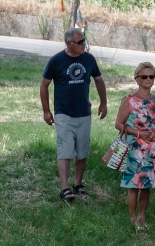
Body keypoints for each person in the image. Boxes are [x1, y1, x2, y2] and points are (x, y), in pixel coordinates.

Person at [41, 27, 108, 201]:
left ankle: (78, 184)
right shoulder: (57, 60)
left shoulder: (89, 59)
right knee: (65, 150)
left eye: (84, 41)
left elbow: (99, 80)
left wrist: (103, 103)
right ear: (69, 44)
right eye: (79, 42)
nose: (83, 45)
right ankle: (65, 188)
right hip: (64, 113)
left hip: (84, 113)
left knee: (82, 151)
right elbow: (44, 85)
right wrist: (46, 111)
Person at [115, 62, 155, 227]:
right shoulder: (129, 100)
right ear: (137, 78)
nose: (148, 79)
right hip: (135, 149)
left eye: (151, 76)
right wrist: (138, 133)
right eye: (144, 76)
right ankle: (132, 217)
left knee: (147, 185)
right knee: (134, 185)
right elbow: (119, 124)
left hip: (152, 150)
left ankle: (141, 217)